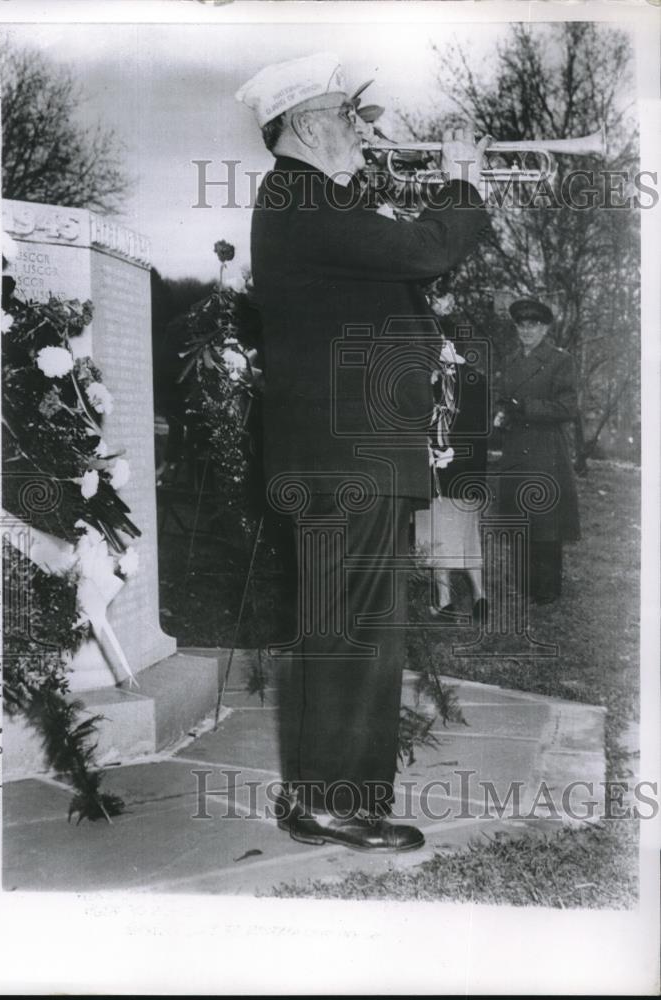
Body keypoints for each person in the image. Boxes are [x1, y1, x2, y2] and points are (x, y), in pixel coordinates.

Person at [236, 52, 490, 851]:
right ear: (307, 125)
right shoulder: (303, 199)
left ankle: (321, 794)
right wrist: (462, 180)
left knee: (343, 627)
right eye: (350, 115)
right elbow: (424, 252)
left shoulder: (309, 200)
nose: (365, 128)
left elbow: (397, 268)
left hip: (345, 460)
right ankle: (337, 802)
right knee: (358, 632)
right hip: (348, 464)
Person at [493, 297, 581, 604]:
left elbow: (568, 407)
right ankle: (524, 584)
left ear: (545, 328)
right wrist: (501, 416)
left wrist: (527, 407)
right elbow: (504, 400)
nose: (527, 331)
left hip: (546, 450)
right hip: (517, 447)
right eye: (522, 325)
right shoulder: (510, 360)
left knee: (545, 518)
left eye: (534, 325)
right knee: (520, 514)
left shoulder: (560, 360)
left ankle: (546, 589)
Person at [416, 336, 489, 623]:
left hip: (440, 469)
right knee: (467, 535)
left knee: (435, 532)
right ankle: (479, 595)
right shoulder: (476, 381)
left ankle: (445, 600)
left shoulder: (432, 381)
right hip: (467, 473)